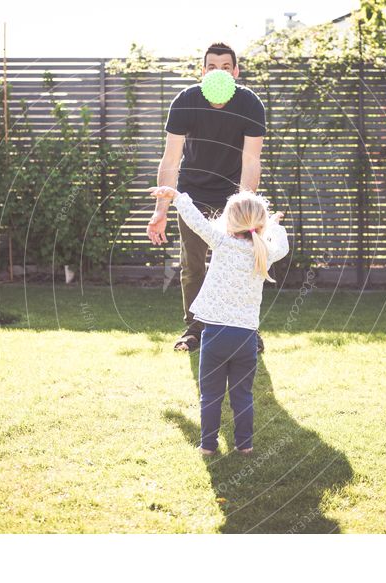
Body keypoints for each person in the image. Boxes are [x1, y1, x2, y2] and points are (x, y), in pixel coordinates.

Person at [148, 185, 289, 456]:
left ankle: (208, 446)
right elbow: (281, 245)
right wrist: (273, 226)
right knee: (243, 396)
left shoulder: (222, 243)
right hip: (246, 339)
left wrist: (177, 197)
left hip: (214, 336)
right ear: (259, 225)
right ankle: (245, 445)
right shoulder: (265, 252)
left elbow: (196, 222)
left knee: (211, 396)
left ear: (229, 220)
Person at [147, 42, 268, 353]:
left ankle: (245, 328)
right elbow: (171, 159)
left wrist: (246, 207)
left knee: (242, 262)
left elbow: (251, 160)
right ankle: (196, 328)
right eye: (212, 67)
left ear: (236, 72)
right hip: (194, 194)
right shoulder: (185, 101)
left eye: (226, 67)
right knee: (193, 264)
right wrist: (160, 210)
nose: (219, 72)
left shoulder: (250, 104)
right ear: (202, 72)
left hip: (233, 197)